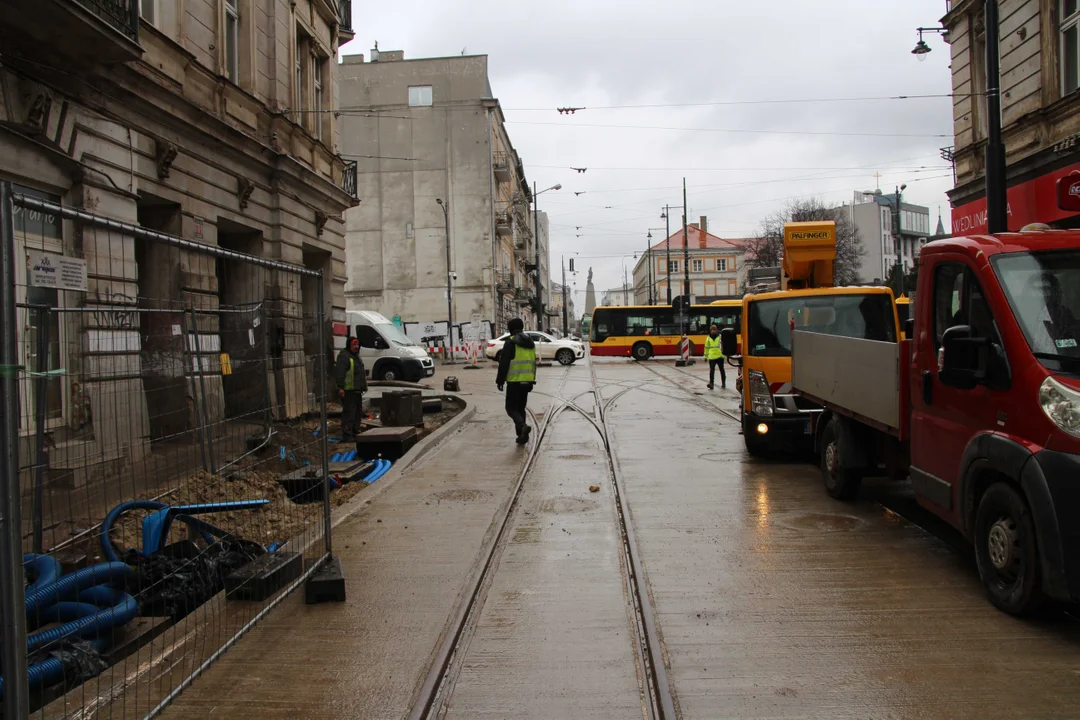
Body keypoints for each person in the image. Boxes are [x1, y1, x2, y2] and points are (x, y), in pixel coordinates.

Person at [496, 317, 537, 445]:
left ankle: (522, 426)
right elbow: (533, 362)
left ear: (510, 329)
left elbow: (504, 363)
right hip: (528, 380)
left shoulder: (510, 342)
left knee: (510, 408)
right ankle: (521, 436)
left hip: (514, 381)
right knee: (520, 408)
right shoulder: (531, 342)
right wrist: (531, 379)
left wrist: (500, 380)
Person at [334, 337, 367, 440]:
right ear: (349, 345)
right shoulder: (344, 357)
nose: (356, 347)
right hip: (348, 391)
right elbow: (340, 373)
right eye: (354, 345)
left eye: (357, 345)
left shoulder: (356, 356)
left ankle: (355, 431)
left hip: (357, 390)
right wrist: (340, 388)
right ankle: (347, 434)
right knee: (349, 413)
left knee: (357, 412)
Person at [704, 324, 726, 390]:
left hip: (720, 356)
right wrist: (705, 356)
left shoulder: (720, 337)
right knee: (711, 371)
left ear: (716, 330)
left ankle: (723, 383)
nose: (713, 331)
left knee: (722, 370)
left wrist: (724, 353)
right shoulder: (708, 338)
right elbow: (706, 348)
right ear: (710, 331)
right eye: (712, 330)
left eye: (714, 330)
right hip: (712, 357)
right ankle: (711, 384)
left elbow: (723, 345)